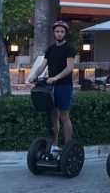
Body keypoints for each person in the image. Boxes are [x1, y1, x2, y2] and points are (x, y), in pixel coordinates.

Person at [30, 20, 76, 159]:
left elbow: (69, 67)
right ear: (54, 33)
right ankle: (54, 145)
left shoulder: (69, 48)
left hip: (64, 86)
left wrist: (56, 77)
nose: (59, 34)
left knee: (64, 116)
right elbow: (43, 65)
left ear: (65, 33)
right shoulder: (50, 49)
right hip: (50, 86)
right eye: (57, 31)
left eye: (62, 31)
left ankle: (68, 147)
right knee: (53, 116)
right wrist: (34, 75)